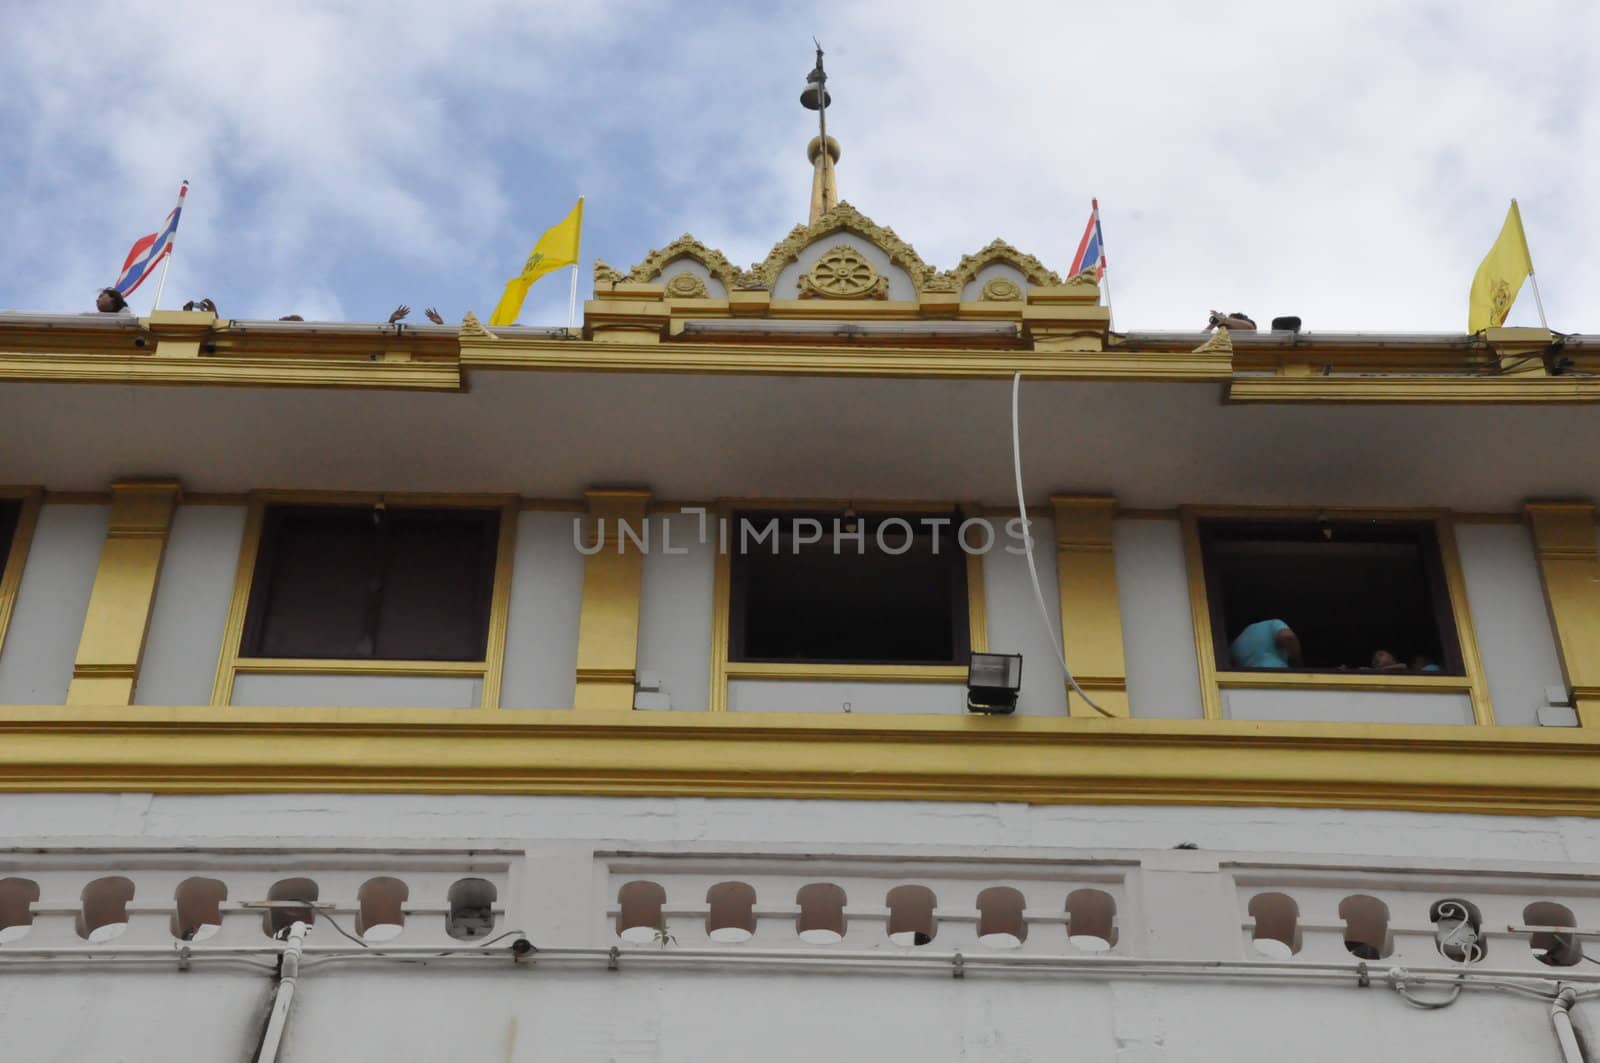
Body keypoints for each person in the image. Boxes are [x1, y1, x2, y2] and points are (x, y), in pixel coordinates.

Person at [1230, 619, 1301, 669]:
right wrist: (1297, 665)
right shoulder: (1273, 623)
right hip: (1275, 674)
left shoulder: (1234, 645)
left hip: (1249, 683)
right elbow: (1288, 637)